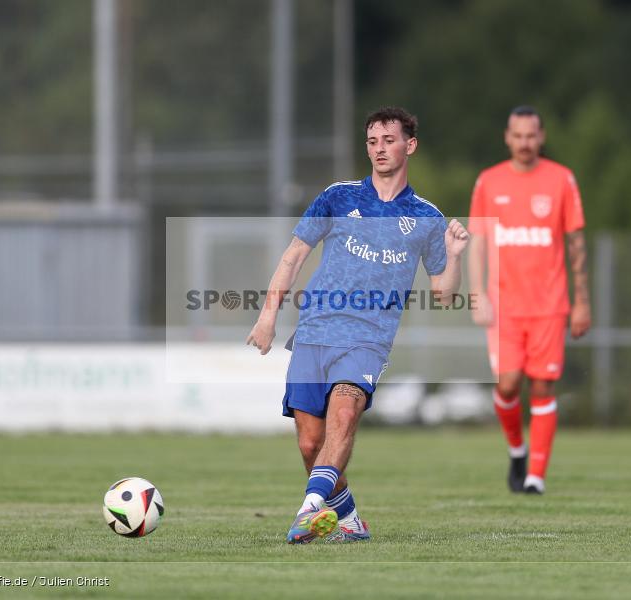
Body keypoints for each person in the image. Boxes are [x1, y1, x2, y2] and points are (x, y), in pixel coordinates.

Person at [248, 106, 469, 543]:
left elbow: (444, 292)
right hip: (314, 330)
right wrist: (268, 316)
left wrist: (456, 255)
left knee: (344, 414)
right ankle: (348, 521)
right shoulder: (338, 196)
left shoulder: (427, 217)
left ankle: (309, 511)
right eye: (372, 141)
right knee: (311, 445)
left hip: (368, 338)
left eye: (388, 140)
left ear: (410, 145)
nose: (379, 149)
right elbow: (294, 256)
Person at [467, 105, 590, 495]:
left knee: (542, 387)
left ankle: (535, 476)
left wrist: (582, 301)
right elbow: (478, 244)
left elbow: (576, 244)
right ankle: (517, 450)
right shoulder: (488, 182)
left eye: (531, 135)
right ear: (507, 137)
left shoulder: (561, 180)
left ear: (542, 136)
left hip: (549, 306)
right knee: (507, 385)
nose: (524, 143)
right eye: (517, 136)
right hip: (504, 306)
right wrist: (477, 295)